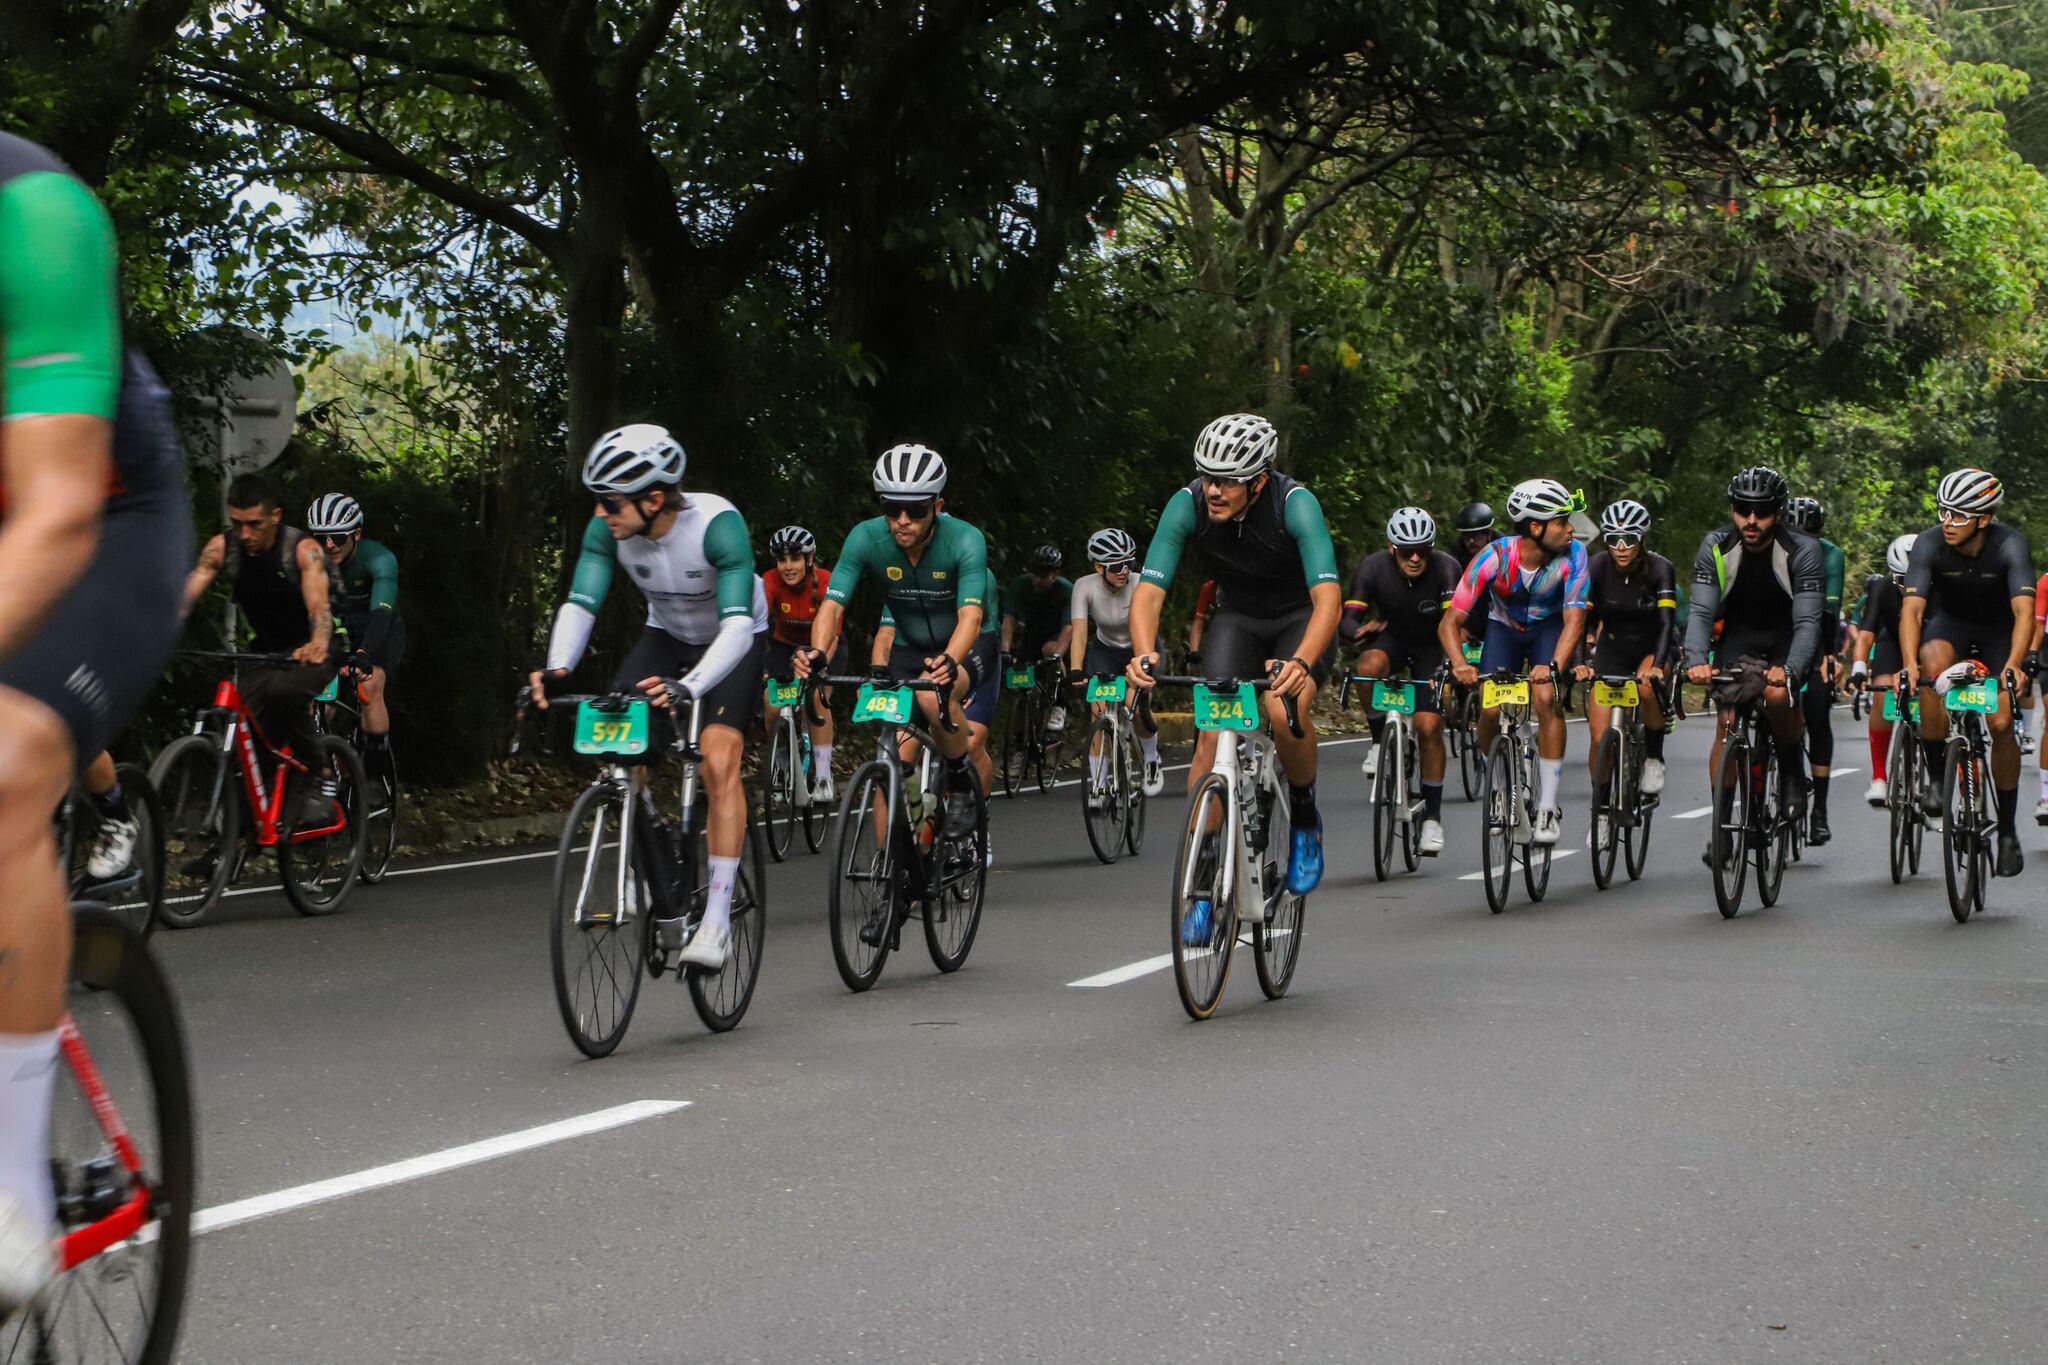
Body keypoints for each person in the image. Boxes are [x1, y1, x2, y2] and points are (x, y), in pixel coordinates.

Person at [0, 130, 191, 1310]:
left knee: (6, 760)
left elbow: (56, 508)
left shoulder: (38, 213)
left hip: (99, 523)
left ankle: (11, 1177)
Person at [527, 424, 768, 969]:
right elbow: (582, 602)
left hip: (734, 641)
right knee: (616, 733)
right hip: (666, 636)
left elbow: (733, 627)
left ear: (653, 498)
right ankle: (650, 852)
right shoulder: (608, 530)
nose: (600, 513)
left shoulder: (717, 527)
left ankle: (715, 921)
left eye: (609, 502)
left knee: (718, 760)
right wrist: (557, 668)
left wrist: (689, 688)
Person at [1126, 412, 1342, 899]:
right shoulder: (1187, 505)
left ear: (1260, 480)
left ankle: (1305, 814)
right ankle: (1203, 883)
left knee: (1282, 709)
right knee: (1211, 735)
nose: (1213, 491)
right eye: (1207, 478)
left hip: (1299, 620)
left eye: (1228, 481)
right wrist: (1143, 654)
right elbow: (1150, 592)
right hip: (1238, 619)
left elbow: (1327, 601)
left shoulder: (1295, 504)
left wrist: (1301, 663)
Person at [797, 444, 998, 835]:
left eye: (917, 510)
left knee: (931, 694)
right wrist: (818, 652)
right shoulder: (865, 538)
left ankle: (959, 783)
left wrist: (949, 661)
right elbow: (833, 606)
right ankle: (892, 867)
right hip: (909, 647)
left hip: (968, 643)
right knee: (894, 752)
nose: (902, 520)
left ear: (937, 507)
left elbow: (971, 616)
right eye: (892, 508)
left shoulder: (965, 540)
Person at [1683, 467, 1826, 863]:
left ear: (1777, 513)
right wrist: (1695, 661)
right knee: (1727, 722)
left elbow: (1809, 622)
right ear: (1733, 510)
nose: (1751, 520)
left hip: (1787, 638)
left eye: (1761, 511)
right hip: (1740, 636)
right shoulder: (1716, 545)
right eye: (1743, 510)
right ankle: (1723, 824)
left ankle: (1793, 769)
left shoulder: (1803, 550)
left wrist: (1793, 669)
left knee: (1779, 697)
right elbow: (1700, 611)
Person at [1898, 466, 2034, 877]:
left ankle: (2007, 831)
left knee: (2002, 721)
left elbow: (2024, 612)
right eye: (1944, 512)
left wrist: (2013, 665)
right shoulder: (1928, 543)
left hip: (1998, 632)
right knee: (1929, 667)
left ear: (1984, 519)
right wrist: (1907, 665)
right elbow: (1913, 609)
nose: (1948, 523)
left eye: (1958, 515)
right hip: (1949, 624)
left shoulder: (2010, 545)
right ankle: (1938, 778)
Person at [1440, 479, 1591, 845]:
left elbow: (1575, 621)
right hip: (1503, 629)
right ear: (1536, 528)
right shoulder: (1494, 556)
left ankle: (1549, 806)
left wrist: (1553, 666)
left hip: (1548, 629)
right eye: (1562, 521)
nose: (1571, 529)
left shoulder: (1574, 556)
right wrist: (1460, 663)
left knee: (1544, 699)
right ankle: (1501, 779)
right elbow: (1450, 621)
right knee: (1489, 712)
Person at [183, 471, 339, 813]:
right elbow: (188, 592)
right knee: (246, 735)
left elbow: (319, 606)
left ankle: (320, 770)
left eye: (254, 524)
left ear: (275, 516)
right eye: (237, 524)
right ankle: (234, 839)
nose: (245, 535)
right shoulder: (222, 548)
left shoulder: (303, 551)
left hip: (312, 648)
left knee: (282, 693)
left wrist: (318, 640)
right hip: (264, 651)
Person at [1340, 506, 1461, 855]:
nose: (1415, 558)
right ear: (1391, 547)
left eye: (1423, 549)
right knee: (1367, 665)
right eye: (1406, 551)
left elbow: (1455, 619)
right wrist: (1360, 630)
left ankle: (1433, 819)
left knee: (1427, 727)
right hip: (1394, 639)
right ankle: (1380, 743)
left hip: (1432, 646)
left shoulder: (1446, 567)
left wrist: (1456, 661)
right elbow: (1348, 619)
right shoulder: (1373, 567)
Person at [1574, 499, 1677, 805]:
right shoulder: (1597, 566)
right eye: (1612, 539)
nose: (1620, 547)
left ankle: (1654, 758)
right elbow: (1582, 621)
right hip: (1613, 647)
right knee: (1598, 738)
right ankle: (1602, 806)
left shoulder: (1660, 568)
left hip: (1652, 645)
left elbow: (1665, 624)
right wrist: (1580, 663)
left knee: (1646, 686)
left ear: (1641, 540)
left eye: (1629, 539)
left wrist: (1658, 665)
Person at [306, 492, 402, 777]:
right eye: (322, 537)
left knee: (371, 685)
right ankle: (318, 772)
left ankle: (373, 774)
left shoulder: (380, 560)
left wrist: (364, 654)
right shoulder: (310, 560)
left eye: (337, 536)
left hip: (379, 632)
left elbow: (381, 615)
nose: (330, 545)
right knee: (316, 701)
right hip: (338, 633)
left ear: (356, 534)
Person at [1069, 527, 1164, 798]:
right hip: (1106, 649)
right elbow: (1079, 631)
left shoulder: (1140, 582)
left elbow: (1150, 622)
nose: (1124, 570)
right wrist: (1076, 668)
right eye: (1116, 565)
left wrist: (1143, 663)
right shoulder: (1084, 586)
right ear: (1099, 567)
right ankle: (1099, 786)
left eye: (1129, 563)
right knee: (1098, 711)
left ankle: (1150, 760)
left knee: (1135, 703)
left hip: (1142, 647)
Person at [761, 524, 841, 803]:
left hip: (825, 645)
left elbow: (833, 632)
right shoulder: (770, 580)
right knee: (772, 703)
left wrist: (819, 664)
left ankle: (822, 774)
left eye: (795, 558)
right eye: (782, 559)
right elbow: (758, 622)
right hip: (785, 647)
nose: (787, 566)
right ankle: (781, 759)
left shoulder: (826, 580)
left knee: (817, 701)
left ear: (809, 559)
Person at [1785, 496, 1846, 844]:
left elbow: (1828, 611)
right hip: (1778, 635)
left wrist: (1828, 654)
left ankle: (1819, 810)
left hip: (1816, 636)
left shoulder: (1831, 555)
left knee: (1818, 712)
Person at [1848, 533, 1917, 806]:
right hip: (1892, 642)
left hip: (1929, 642)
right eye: (1901, 581)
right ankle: (1879, 777)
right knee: (1882, 697)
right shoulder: (1883, 589)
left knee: (1932, 693)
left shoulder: (1939, 587)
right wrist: (1859, 667)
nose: (1907, 588)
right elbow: (1866, 635)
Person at [1002, 544, 1073, 732]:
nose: (1037, 580)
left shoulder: (1066, 590)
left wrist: (1057, 655)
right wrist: (1005, 650)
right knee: (1021, 683)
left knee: (1049, 651)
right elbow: (1009, 620)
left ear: (1054, 575)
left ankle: (1060, 705)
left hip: (1055, 635)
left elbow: (1069, 627)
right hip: (1031, 635)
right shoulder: (1021, 585)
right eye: (1034, 574)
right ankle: (1019, 745)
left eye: (1043, 575)